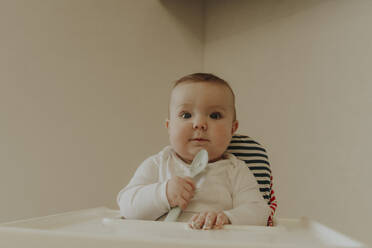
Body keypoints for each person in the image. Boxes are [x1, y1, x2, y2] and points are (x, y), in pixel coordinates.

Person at [117, 73, 270, 230]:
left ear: (232, 129)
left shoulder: (236, 170)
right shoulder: (159, 164)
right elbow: (127, 206)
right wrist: (163, 194)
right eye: (186, 115)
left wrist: (227, 218)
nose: (199, 124)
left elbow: (259, 212)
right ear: (169, 127)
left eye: (215, 115)